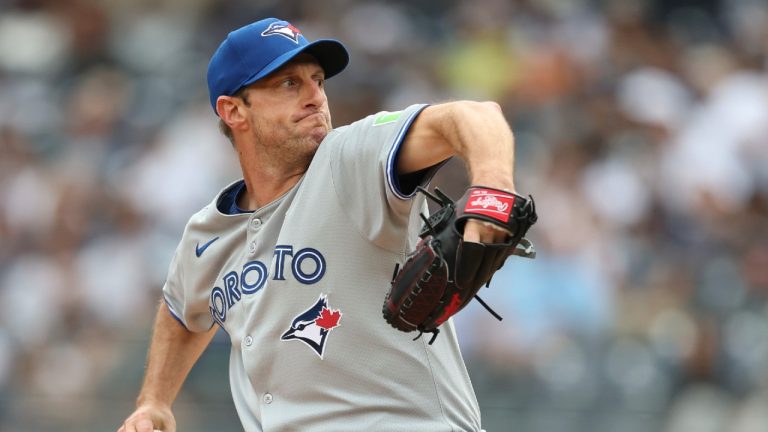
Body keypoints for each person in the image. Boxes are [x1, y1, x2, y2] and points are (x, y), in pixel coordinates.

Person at [118, 17, 522, 432]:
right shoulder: (207, 233)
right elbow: (181, 312)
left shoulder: (350, 159)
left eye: (318, 80)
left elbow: (474, 115)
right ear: (234, 110)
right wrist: (154, 401)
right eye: (288, 84)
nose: (315, 97)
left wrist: (494, 185)